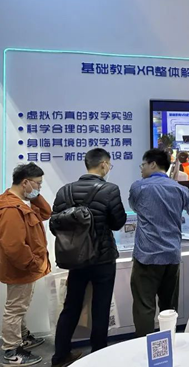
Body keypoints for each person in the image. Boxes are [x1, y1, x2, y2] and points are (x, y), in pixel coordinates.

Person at [50, 149, 127, 367]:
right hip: (103, 259)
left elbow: (55, 225)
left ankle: (60, 356)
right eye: (109, 165)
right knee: (100, 308)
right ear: (103, 164)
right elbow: (118, 223)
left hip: (75, 259)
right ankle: (99, 355)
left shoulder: (64, 190)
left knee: (71, 306)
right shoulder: (110, 189)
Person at [129, 149, 189, 337]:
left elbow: (134, 206)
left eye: (143, 165)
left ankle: (145, 345)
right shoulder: (179, 189)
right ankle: (168, 343)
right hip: (171, 257)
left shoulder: (139, 187)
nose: (141, 169)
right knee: (168, 307)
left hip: (146, 256)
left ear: (153, 164)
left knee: (144, 306)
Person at [0, 163, 51, 367]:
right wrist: (33, 264)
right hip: (21, 269)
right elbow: (14, 246)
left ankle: (21, 337)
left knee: (19, 306)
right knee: (15, 308)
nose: (39, 187)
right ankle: (11, 351)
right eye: (37, 183)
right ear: (25, 182)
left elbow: (46, 213)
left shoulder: (21, 202)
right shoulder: (11, 209)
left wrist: (35, 195)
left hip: (25, 268)